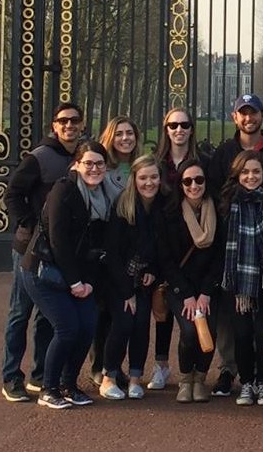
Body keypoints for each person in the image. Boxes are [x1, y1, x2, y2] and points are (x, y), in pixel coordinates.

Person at [1, 102, 84, 402]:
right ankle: (11, 376)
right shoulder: (39, 157)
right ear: (54, 125)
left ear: (82, 124)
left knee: (47, 316)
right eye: (63, 121)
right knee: (20, 312)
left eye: (74, 120)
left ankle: (38, 373)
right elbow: (12, 195)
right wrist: (32, 223)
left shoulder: (81, 157)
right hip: (29, 247)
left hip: (60, 250)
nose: (69, 125)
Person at [207, 93, 263, 397]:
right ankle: (237, 375)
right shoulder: (224, 153)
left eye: (253, 113)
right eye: (243, 113)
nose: (248, 118)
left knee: (262, 329)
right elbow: (215, 198)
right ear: (234, 117)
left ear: (262, 116)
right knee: (238, 331)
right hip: (236, 269)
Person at [20, 140, 111, 409]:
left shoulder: (104, 194)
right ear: (77, 164)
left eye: (99, 163)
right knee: (67, 329)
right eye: (89, 163)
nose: (94, 168)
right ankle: (49, 388)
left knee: (87, 327)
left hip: (79, 276)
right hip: (44, 271)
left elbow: (97, 244)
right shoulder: (64, 190)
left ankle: (68, 384)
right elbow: (59, 241)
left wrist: (88, 283)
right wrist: (75, 282)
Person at [157, 157, 223, 403]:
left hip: (208, 285)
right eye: (187, 181)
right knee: (188, 332)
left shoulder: (217, 208)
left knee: (210, 331)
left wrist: (206, 292)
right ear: (180, 184)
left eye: (199, 180)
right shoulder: (171, 213)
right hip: (181, 285)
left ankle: (200, 379)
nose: (194, 186)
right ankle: (185, 379)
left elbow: (220, 255)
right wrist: (186, 294)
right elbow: (166, 259)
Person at [220, 150, 263, 408]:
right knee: (242, 334)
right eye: (245, 172)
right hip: (237, 281)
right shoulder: (227, 203)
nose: (251, 176)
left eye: (256, 171)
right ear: (237, 174)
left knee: (262, 333)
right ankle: (247, 381)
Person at [99, 154, 161, 400]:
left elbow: (162, 248)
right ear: (134, 179)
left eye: (154, 177)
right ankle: (108, 377)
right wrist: (126, 291)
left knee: (142, 325)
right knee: (124, 322)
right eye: (143, 178)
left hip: (144, 278)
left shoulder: (160, 207)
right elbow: (112, 253)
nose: (149, 183)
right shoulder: (122, 206)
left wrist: (153, 271)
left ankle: (135, 378)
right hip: (119, 279)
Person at [147, 107, 201, 391]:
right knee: (162, 308)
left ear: (191, 129)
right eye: (173, 125)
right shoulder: (158, 163)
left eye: (184, 124)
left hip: (190, 243)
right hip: (162, 239)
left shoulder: (201, 162)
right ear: (166, 129)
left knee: (186, 313)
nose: (179, 129)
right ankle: (161, 365)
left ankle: (192, 370)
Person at [89, 115, 142, 387]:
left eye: (129, 133)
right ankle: (99, 365)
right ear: (110, 137)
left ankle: (115, 365)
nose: (125, 138)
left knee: (123, 312)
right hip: (102, 247)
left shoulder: (137, 166)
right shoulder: (100, 167)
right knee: (103, 312)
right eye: (119, 133)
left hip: (128, 249)